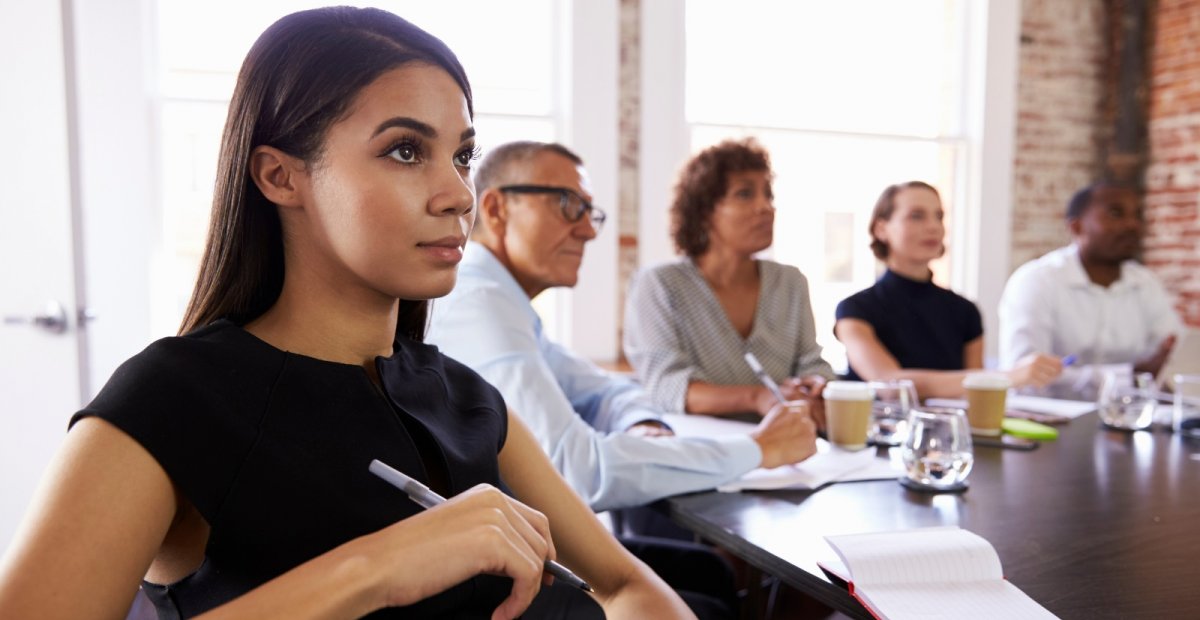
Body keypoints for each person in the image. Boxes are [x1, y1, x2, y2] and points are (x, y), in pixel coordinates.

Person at [0, 8, 691, 620]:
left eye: (462, 155)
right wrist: (375, 569)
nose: (457, 193)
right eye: (404, 150)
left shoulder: (470, 400)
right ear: (280, 175)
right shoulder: (173, 399)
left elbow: (630, 589)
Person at [427, 140, 817, 513]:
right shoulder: (480, 305)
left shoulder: (505, 304)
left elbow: (605, 390)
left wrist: (643, 422)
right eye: (568, 204)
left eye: (589, 212)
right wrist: (759, 448)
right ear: (495, 209)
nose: (588, 230)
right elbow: (578, 472)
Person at [624, 138, 835, 421]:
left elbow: (811, 362)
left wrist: (817, 384)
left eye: (768, 194)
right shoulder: (660, 284)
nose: (765, 207)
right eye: (745, 194)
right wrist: (757, 397)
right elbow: (665, 386)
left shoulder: (790, 282)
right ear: (704, 211)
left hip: (788, 447)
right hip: (699, 451)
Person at [834, 181, 1063, 398]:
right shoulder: (854, 310)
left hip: (951, 435)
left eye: (939, 216)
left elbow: (975, 395)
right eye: (916, 216)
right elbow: (888, 384)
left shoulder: (965, 310)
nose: (933, 227)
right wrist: (1007, 376)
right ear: (881, 229)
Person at [999, 181, 1183, 392]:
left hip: (1129, 416)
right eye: (1116, 214)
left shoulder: (1146, 283)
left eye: (1138, 215)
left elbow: (1171, 358)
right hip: (1054, 419)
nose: (1133, 225)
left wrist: (1159, 365)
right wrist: (1129, 375)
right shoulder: (1037, 281)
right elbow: (1023, 378)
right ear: (1076, 226)